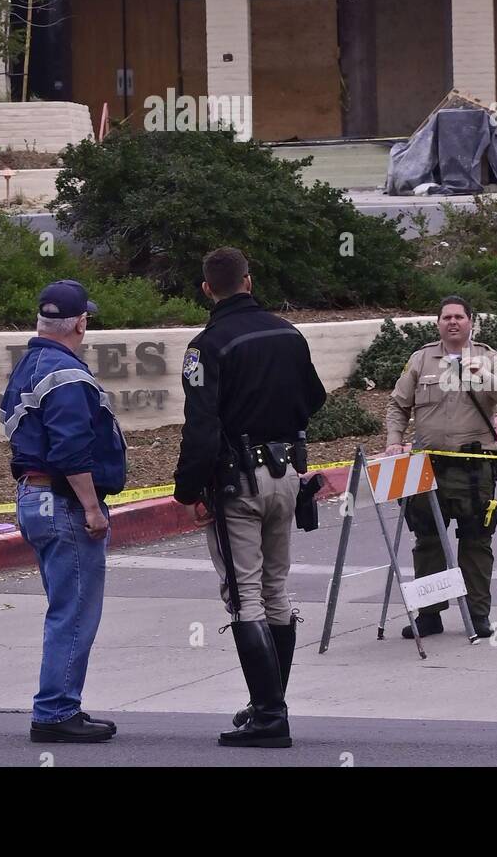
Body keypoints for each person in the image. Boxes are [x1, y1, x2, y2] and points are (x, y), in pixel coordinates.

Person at [173, 247, 327, 748]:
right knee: (277, 590)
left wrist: (188, 489)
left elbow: (201, 426)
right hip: (286, 475)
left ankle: (269, 717)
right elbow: (315, 398)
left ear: (207, 289)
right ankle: (270, 703)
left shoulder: (207, 346)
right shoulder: (288, 333)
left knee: (244, 594)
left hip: (237, 482)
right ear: (249, 281)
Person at [0, 279, 127, 743]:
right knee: (73, 613)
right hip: (66, 503)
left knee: (63, 608)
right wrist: (93, 509)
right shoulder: (67, 374)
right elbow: (71, 448)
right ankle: (55, 712)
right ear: (80, 322)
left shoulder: (28, 366)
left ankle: (58, 707)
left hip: (35, 498)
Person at [385, 294, 497, 640]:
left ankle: (478, 615)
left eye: (459, 317)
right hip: (427, 467)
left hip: (473, 468)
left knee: (476, 541)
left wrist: (485, 374)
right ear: (438, 324)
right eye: (446, 317)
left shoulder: (490, 358)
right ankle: (430, 615)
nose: (452, 322)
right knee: (428, 540)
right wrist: (393, 438)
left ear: (470, 322)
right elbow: (398, 405)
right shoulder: (420, 360)